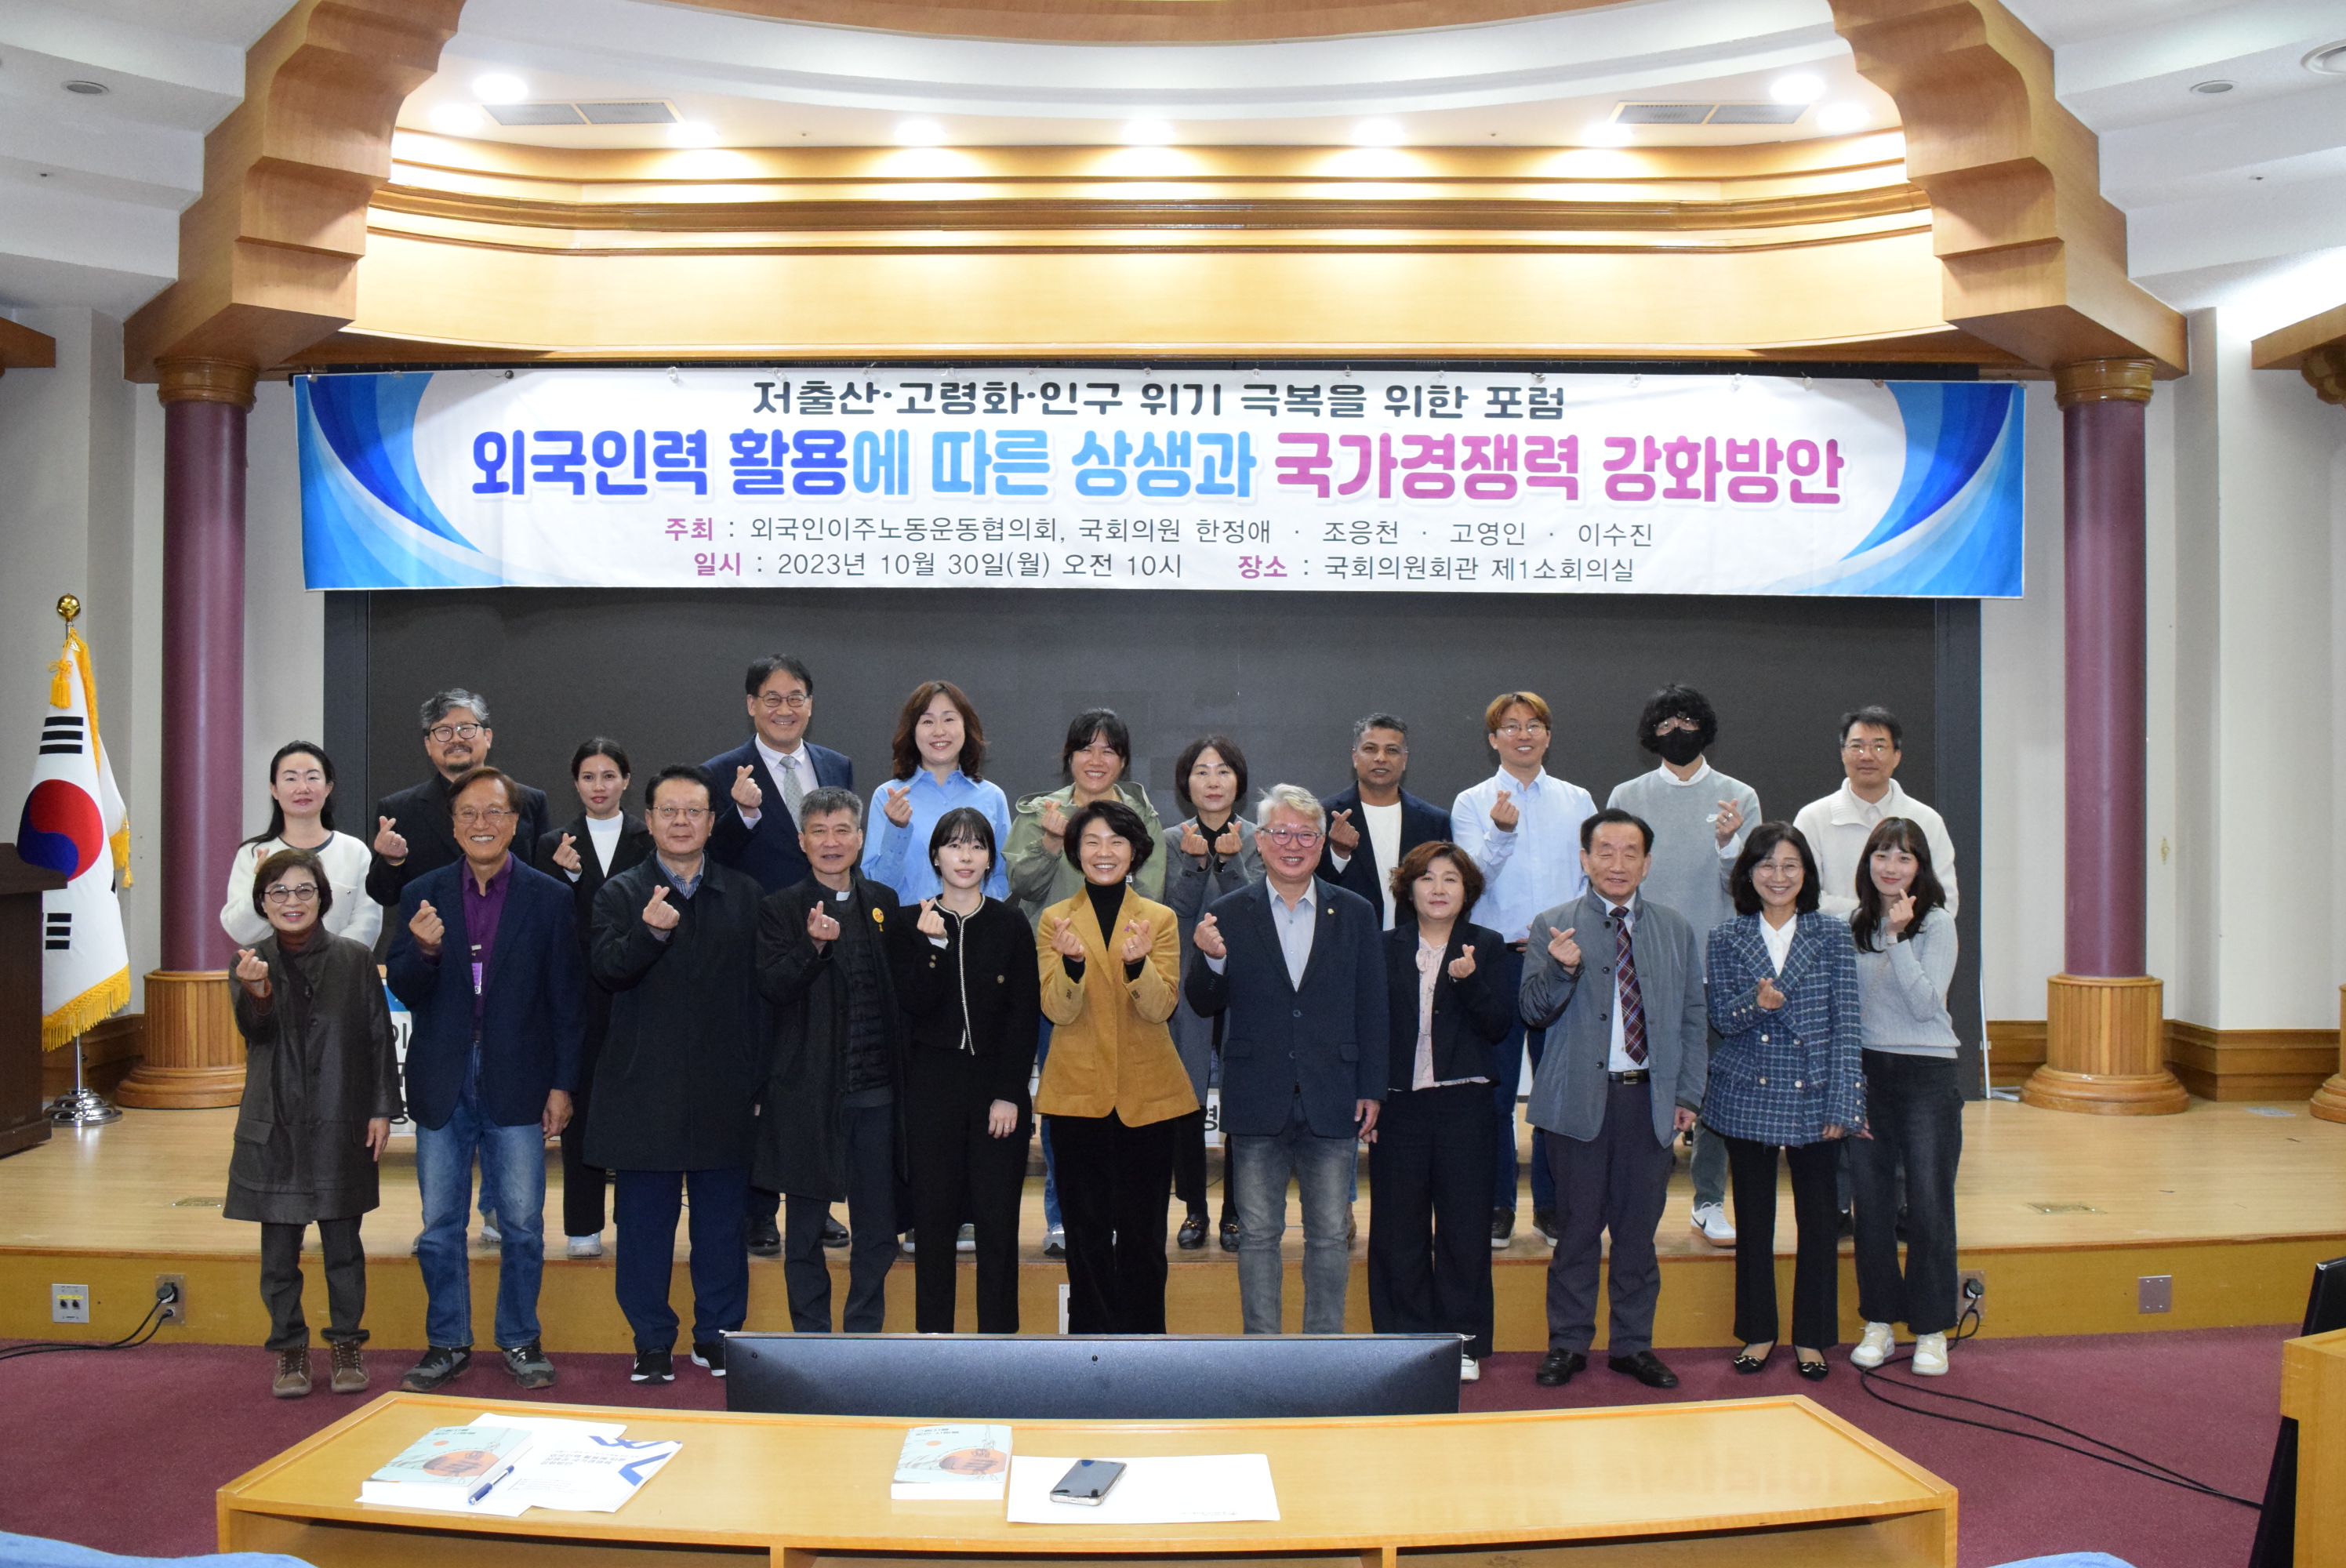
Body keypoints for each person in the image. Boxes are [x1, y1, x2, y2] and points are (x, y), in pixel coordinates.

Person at [387, 766, 583, 1394]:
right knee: (440, 1224)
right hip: (443, 1078)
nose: (481, 824)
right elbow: (404, 987)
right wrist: (422, 952)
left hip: (520, 1078)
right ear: (453, 825)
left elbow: (567, 1000)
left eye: (494, 812)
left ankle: (521, 1338)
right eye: (468, 813)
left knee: (522, 1223)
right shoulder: (422, 893)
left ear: (515, 822)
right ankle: (446, 1342)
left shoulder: (549, 898)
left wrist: (563, 1085)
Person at [586, 765, 765, 1384]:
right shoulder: (618, 894)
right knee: (643, 1228)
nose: (682, 822)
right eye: (669, 811)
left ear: (713, 822)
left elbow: (761, 998)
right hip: (643, 1088)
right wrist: (649, 933)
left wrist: (759, 1081)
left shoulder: (744, 894)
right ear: (650, 820)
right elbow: (607, 970)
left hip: (724, 1087)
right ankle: (652, 1339)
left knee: (721, 1225)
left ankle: (717, 1334)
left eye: (694, 812)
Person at [1518, 808, 1707, 1391]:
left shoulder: (1674, 928)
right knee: (1576, 1232)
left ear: (1647, 863)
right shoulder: (1554, 925)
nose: (1617, 864)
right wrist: (1561, 970)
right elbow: (1532, 1011)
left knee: (1636, 1235)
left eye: (1630, 853)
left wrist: (1687, 1093)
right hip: (1577, 1105)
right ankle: (1568, 1343)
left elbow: (1693, 1018)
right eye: (1605, 851)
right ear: (1584, 859)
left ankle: (1632, 1345)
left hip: (1648, 1102)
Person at [1187, 784, 1385, 1336]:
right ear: (1260, 841)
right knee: (1257, 1236)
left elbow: (1373, 1006)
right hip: (1257, 1096)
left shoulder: (1356, 912)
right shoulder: (1227, 912)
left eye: (1305, 834)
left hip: (1334, 1094)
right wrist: (1212, 961)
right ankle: (1262, 1351)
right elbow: (1202, 1002)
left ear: (1321, 843)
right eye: (1280, 833)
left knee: (1330, 1235)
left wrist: (1372, 1086)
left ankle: (1323, 1351)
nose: (1292, 845)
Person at [224, 848, 399, 1399]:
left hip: (340, 1120)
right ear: (262, 903)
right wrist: (258, 994)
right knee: (279, 1256)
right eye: (278, 892)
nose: (291, 901)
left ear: (322, 898)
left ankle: (347, 1345)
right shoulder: (249, 962)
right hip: (274, 1124)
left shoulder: (354, 958)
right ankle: (290, 1349)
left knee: (344, 1248)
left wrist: (381, 1109)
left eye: (304, 890)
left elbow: (379, 1039)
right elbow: (257, 1034)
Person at [703, 654, 853, 1258]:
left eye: (796, 697)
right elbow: (709, 857)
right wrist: (740, 813)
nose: (784, 709)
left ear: (811, 705)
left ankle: (815, 1204)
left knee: (820, 1073)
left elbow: (839, 847)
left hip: (825, 938)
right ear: (751, 705)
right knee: (763, 1078)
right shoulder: (721, 773)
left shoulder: (836, 765)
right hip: (756, 944)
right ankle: (759, 1210)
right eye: (772, 698)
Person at [1705, 822, 1865, 1381]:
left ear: (1807, 874)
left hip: (1815, 1095)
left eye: (1790, 865)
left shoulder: (1833, 934)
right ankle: (1759, 1330)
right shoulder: (1726, 937)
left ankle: (1812, 1337)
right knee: (1754, 1222)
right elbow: (1722, 1019)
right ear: (1748, 874)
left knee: (1819, 1222)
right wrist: (1759, 1004)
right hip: (1747, 1094)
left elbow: (1847, 1024)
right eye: (1767, 865)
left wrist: (1845, 1105)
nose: (1779, 876)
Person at [1006, 709, 1167, 1256]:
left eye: (1108, 750)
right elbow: (1020, 884)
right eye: (1086, 748)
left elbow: (1152, 895)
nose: (1096, 760)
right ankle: (1062, 1218)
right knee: (1066, 1102)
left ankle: (1117, 1217)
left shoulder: (1141, 815)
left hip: (1125, 979)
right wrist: (1052, 844)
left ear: (1123, 760)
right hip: (1057, 980)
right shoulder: (1040, 813)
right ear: (1069, 756)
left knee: (1124, 1105)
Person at [1605, 686, 1758, 1252]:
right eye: (1666, 722)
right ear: (1652, 732)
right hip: (1640, 964)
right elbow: (1612, 878)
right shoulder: (1627, 795)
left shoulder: (1739, 797)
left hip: (1717, 964)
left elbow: (1749, 890)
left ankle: (1708, 1199)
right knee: (1638, 1083)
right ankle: (1628, 1197)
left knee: (1711, 1087)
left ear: (1705, 727)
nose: (1678, 731)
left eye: (1688, 720)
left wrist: (1728, 845)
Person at [1033, 798, 1194, 1333]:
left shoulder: (1159, 919)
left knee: (1145, 1234)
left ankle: (1146, 1346)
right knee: (1085, 1235)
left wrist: (1138, 963)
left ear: (1135, 851)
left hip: (1147, 1100)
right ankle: (1091, 1348)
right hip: (1077, 1097)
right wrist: (1074, 965)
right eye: (1092, 842)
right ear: (1076, 852)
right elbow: (1056, 1009)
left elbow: (1161, 1007)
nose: (1104, 852)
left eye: (1116, 842)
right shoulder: (1055, 920)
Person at [756, 787, 908, 1334]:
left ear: (860, 838)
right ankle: (811, 1336)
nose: (831, 842)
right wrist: (812, 948)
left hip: (877, 1095)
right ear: (802, 841)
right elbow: (772, 988)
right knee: (803, 1232)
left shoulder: (884, 902)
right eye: (819, 832)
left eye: (842, 830)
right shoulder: (779, 908)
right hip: (808, 1093)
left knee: (877, 1228)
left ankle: (864, 1331)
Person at [1451, 691, 1596, 1249]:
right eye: (1510, 727)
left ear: (1548, 736)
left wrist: (1569, 933)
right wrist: (1500, 833)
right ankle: (1497, 1204)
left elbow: (1590, 880)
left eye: (1534, 725)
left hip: (1560, 958)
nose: (1523, 735)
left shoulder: (1577, 800)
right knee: (1495, 1090)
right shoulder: (1472, 802)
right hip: (1497, 961)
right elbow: (1467, 883)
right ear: (1493, 739)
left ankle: (1553, 1205)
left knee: (1558, 1088)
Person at [892, 808, 1041, 1332]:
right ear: (935, 856)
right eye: (954, 845)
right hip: (931, 1090)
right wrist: (934, 947)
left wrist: (1009, 1093)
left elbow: (1024, 1014)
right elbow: (912, 1005)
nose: (965, 856)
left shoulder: (1010, 924)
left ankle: (998, 1345)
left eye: (977, 846)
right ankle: (934, 1342)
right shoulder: (909, 923)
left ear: (990, 859)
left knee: (998, 1226)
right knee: (933, 1225)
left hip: (995, 1090)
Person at [1367, 842, 1510, 1381]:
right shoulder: (1384, 947)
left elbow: (1498, 1026)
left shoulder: (1487, 945)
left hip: (1464, 1105)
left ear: (1466, 891)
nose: (1439, 888)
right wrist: (1370, 1095)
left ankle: (1461, 1341)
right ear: (1409, 888)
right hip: (1399, 1105)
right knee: (1397, 1228)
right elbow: (1368, 1026)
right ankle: (1404, 1341)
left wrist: (1469, 982)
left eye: (1451, 878)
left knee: (1464, 1228)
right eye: (1427, 877)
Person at [1846, 818, 1961, 1377]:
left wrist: (1898, 938)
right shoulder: (1855, 923)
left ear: (1921, 868)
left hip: (1926, 1073)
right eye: (1882, 855)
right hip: (1869, 1072)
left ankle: (1932, 1328)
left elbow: (1924, 1004)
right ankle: (1878, 1321)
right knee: (1870, 1204)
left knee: (1929, 1203)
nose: (1891, 867)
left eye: (1904, 858)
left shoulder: (1936, 923)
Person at [534, 739, 654, 1260]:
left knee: (634, 1110)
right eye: (588, 777)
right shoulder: (552, 844)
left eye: (609, 776)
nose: (599, 786)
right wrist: (567, 878)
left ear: (626, 780)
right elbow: (548, 922)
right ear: (576, 784)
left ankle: (636, 1221)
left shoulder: (650, 837)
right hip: (578, 995)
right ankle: (582, 1225)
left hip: (638, 991)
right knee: (577, 1108)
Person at [1162, 735, 1261, 1253]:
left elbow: (1254, 906)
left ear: (1238, 781)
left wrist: (1228, 862)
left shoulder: (1259, 837)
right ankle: (1195, 1209)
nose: (1213, 781)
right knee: (1188, 1099)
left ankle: (1236, 1212)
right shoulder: (1169, 839)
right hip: (1188, 984)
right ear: (1187, 783)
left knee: (1242, 1097)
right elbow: (1173, 910)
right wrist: (1196, 864)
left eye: (1223, 770)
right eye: (1201, 771)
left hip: (1246, 985)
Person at [366, 688, 551, 909]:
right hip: (433, 928)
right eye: (444, 731)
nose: (456, 738)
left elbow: (545, 884)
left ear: (487, 737)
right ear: (428, 745)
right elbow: (383, 896)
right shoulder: (398, 810)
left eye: (466, 729)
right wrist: (392, 861)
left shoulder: (529, 801)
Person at [1792, 706, 1959, 916]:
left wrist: (1893, 925)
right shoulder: (1813, 819)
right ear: (1843, 754)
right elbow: (1803, 895)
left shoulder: (1927, 821)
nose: (1867, 756)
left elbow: (1944, 901)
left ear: (1897, 756)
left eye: (1879, 747)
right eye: (1857, 746)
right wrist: (1873, 915)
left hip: (1909, 936)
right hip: (1834, 937)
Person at [862, 681, 1013, 905]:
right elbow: (878, 887)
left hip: (976, 923)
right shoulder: (888, 797)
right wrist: (897, 829)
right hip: (910, 922)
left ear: (966, 727)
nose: (939, 731)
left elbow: (1003, 876)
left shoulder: (992, 796)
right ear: (912, 732)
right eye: (927, 721)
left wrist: (977, 912)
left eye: (949, 719)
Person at [222, 741, 380, 949]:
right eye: (290, 779)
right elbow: (239, 930)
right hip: (272, 967)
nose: (303, 788)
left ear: (328, 787)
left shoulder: (354, 851)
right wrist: (259, 885)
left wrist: (330, 960)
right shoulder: (253, 853)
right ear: (274, 790)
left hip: (341, 966)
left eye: (312, 778)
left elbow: (367, 922)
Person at [1317, 714, 1452, 931]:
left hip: (1415, 942)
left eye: (1392, 750)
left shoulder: (1434, 821)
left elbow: (1450, 889)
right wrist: (1338, 853)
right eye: (1370, 749)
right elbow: (1310, 885)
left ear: (1405, 760)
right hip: (1347, 938)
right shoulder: (1325, 814)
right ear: (1355, 757)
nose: (1381, 758)